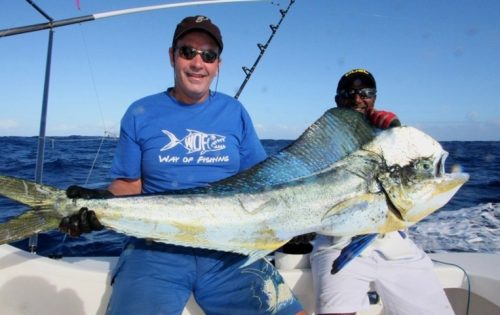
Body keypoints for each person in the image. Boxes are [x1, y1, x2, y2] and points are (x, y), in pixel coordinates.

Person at [59, 15, 305, 315]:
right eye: (188, 51)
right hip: (154, 249)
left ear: (218, 65)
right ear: (172, 56)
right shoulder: (140, 112)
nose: (197, 62)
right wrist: (100, 207)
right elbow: (128, 185)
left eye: (209, 55)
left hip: (230, 249)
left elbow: (262, 182)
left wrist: (295, 219)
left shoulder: (235, 112)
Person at [309, 69, 454, 315]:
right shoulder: (323, 142)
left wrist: (397, 131)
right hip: (337, 243)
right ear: (337, 99)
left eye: (366, 93)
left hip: (394, 243)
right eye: (349, 93)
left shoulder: (390, 135)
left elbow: (421, 175)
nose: (357, 99)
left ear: (374, 97)